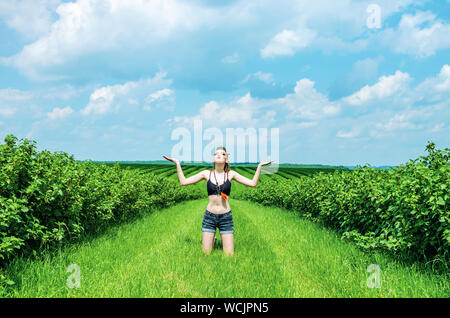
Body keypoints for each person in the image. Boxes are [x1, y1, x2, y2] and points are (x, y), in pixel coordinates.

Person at [162, 146, 273, 256]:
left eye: (223, 154)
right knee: (206, 253)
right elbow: (183, 181)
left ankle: (214, 239)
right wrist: (177, 163)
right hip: (209, 217)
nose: (219, 155)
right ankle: (213, 240)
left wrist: (259, 166)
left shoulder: (231, 174)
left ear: (226, 159)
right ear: (213, 158)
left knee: (229, 255)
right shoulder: (206, 174)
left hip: (226, 217)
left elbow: (253, 183)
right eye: (216, 154)